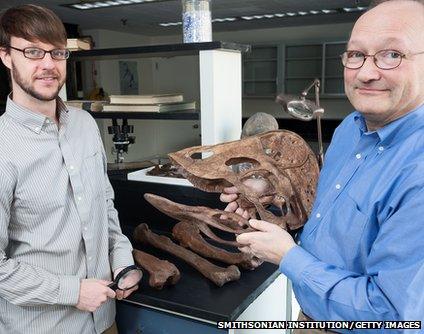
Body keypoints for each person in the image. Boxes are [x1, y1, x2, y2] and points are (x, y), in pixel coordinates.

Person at [221, 0, 424, 331]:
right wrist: (275, 194)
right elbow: (338, 214)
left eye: (392, 55)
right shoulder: (349, 130)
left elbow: (393, 317)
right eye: (356, 55)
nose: (367, 73)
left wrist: (288, 256)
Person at [0, 5, 138, 334]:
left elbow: (104, 204)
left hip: (105, 320)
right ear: (6, 56)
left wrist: (122, 259)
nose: (48, 64)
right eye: (33, 52)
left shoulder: (86, 124)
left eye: (57, 53)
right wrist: (73, 291)